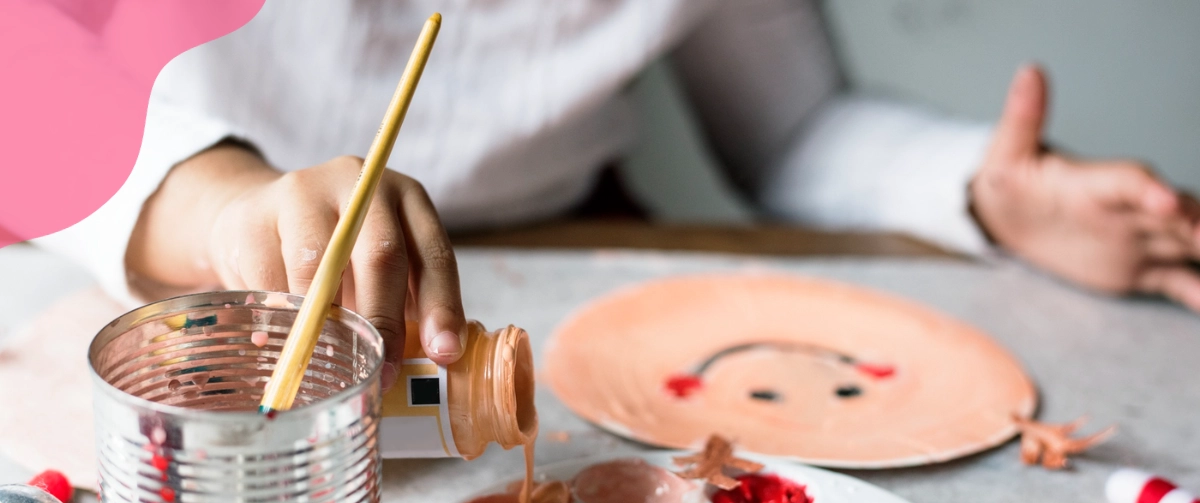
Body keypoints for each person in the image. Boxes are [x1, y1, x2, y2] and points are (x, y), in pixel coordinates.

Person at [37, 0, 1200, 388]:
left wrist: (983, 199)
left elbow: (792, 129)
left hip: (577, 269)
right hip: (169, 251)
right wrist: (224, 203)